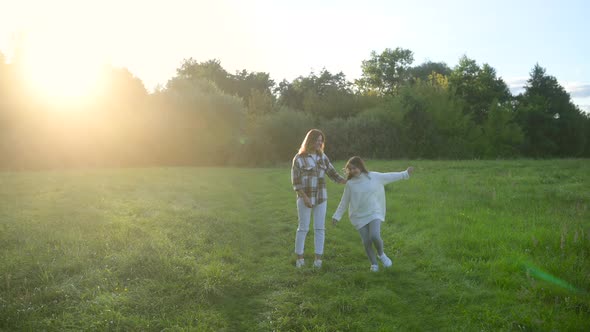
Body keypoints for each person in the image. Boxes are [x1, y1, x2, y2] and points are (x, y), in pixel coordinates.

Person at [332, 156, 414, 272]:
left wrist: (405, 174)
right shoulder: (350, 184)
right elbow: (344, 201)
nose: (353, 171)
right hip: (358, 216)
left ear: (360, 166)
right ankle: (374, 264)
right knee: (366, 241)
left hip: (374, 212)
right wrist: (337, 216)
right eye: (350, 169)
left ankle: (381, 255)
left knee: (374, 235)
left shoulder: (373, 176)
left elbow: (389, 176)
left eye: (355, 168)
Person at [291, 129, 346, 268]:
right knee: (303, 228)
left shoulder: (323, 157)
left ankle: (318, 260)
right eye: (317, 140)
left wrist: (348, 181)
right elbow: (296, 182)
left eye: (321, 141)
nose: (319, 143)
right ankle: (299, 259)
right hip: (305, 199)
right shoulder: (299, 158)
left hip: (321, 198)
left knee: (319, 229)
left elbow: (333, 174)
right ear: (310, 140)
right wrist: (305, 198)